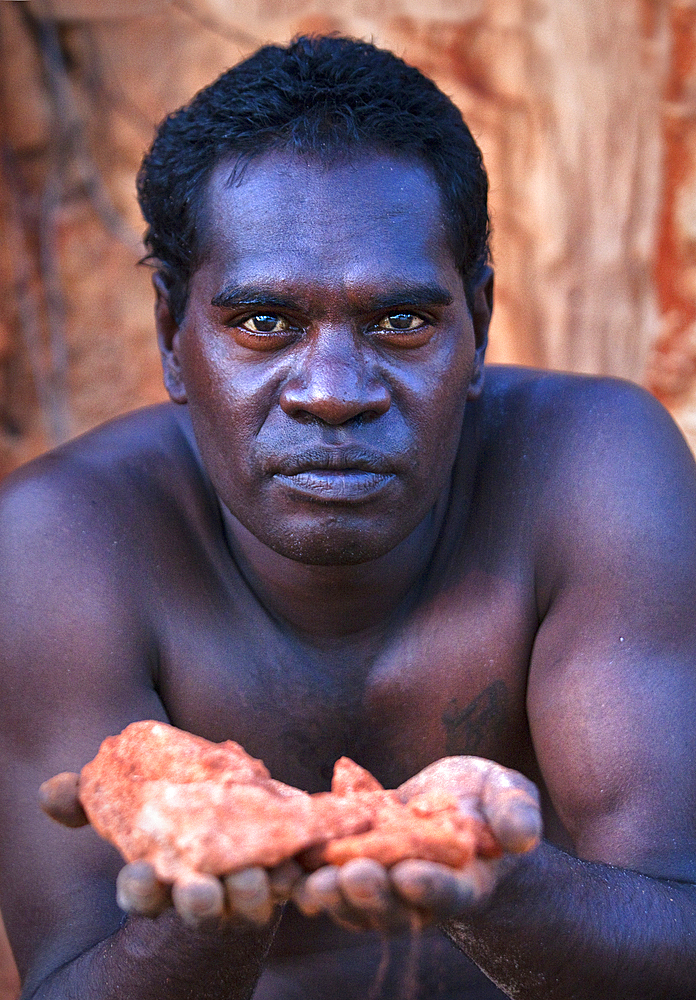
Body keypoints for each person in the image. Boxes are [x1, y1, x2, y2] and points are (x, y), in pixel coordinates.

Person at [1, 34, 695, 1000]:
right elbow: (63, 984)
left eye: (399, 322)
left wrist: (482, 877)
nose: (333, 392)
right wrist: (216, 900)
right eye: (263, 323)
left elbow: (682, 928)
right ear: (171, 333)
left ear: (480, 323)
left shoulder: (594, 465)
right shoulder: (58, 544)